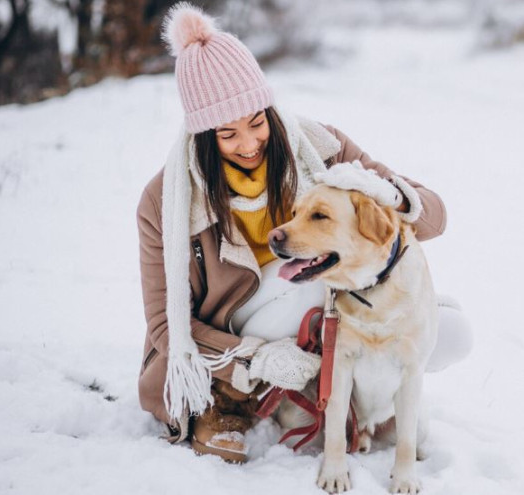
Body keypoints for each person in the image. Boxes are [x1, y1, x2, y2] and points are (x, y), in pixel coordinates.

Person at [136, 2, 472, 463]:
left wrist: (385, 191)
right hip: (241, 327)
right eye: (227, 134)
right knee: (306, 287)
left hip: (325, 298)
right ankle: (232, 399)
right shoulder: (164, 201)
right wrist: (253, 356)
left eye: (257, 122)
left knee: (452, 332)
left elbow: (432, 218)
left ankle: (364, 397)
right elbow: (164, 327)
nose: (250, 144)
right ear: (202, 136)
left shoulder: (320, 147)